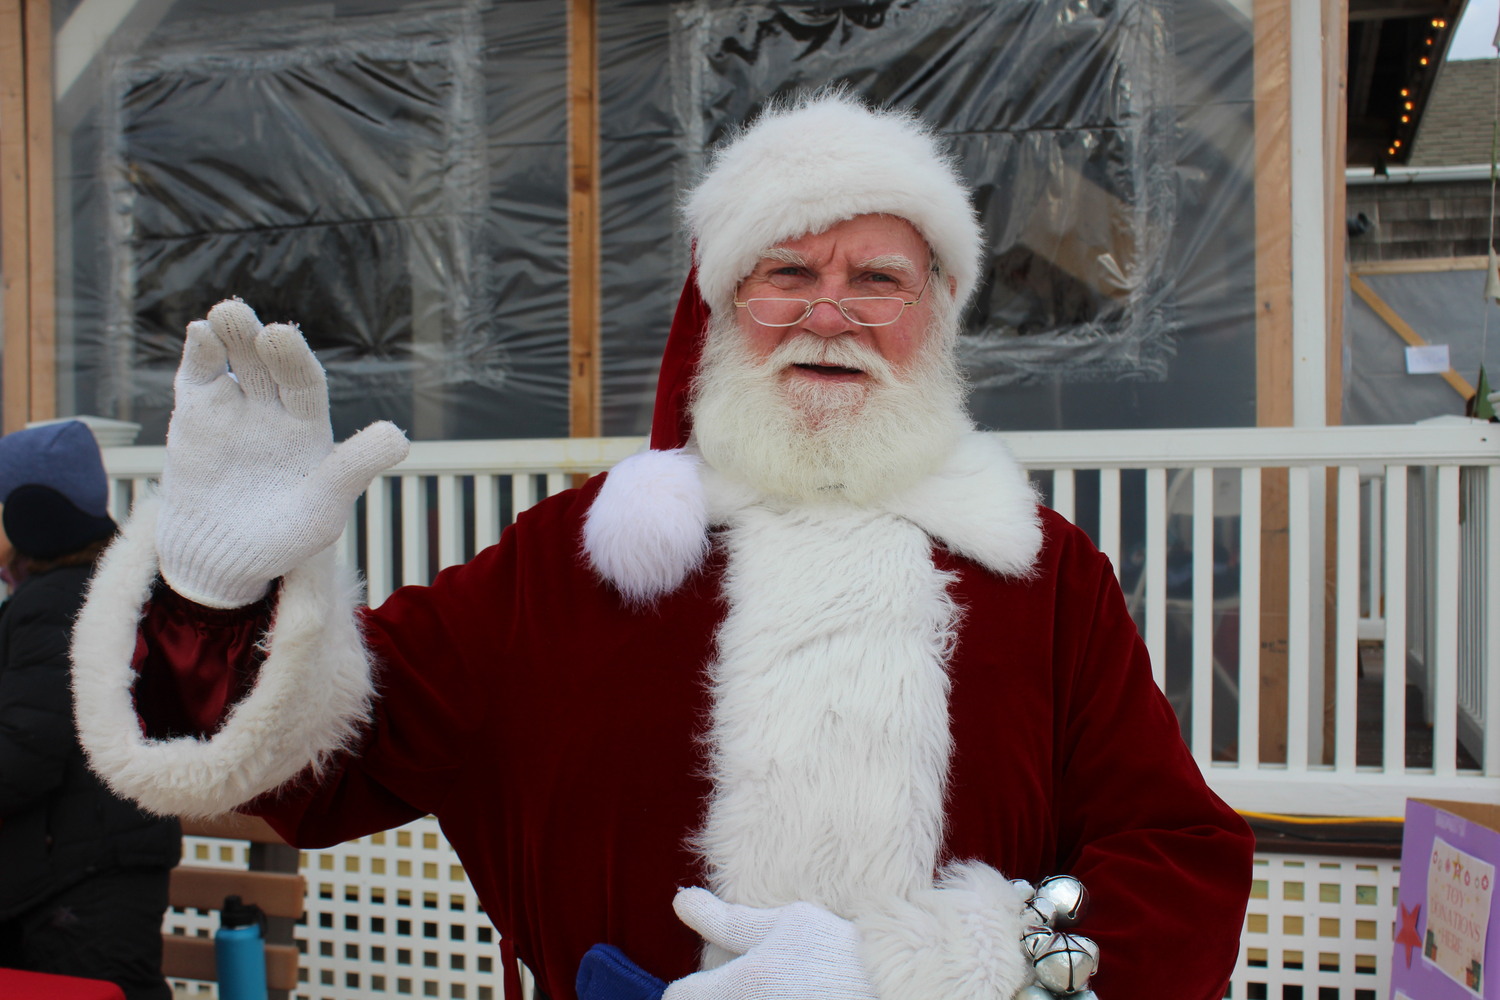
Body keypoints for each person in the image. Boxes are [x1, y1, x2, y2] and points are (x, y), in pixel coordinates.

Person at [72, 93, 1253, 1000]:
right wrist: (215, 592)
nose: (829, 312)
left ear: (934, 314)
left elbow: (1181, 863)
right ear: (720, 309)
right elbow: (315, 766)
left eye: (876, 278)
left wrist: (941, 965)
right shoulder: (570, 562)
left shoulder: (1044, 580)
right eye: (786, 272)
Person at [0, 421, 181, 1000]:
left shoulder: (54, 605)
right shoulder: (97, 590)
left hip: (77, 882)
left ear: (29, 516)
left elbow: (26, 750)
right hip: (90, 866)